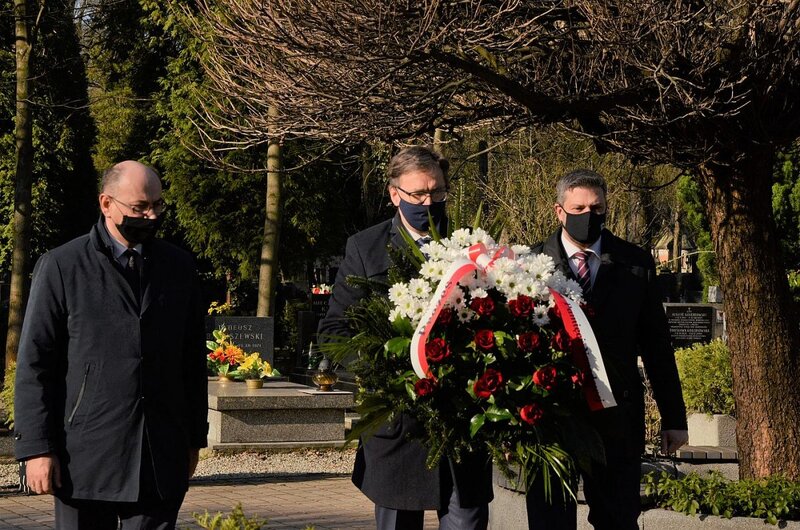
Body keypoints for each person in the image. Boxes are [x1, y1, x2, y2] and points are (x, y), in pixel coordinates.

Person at [14, 161, 208, 529]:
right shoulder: (62, 266)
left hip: (159, 458)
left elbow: (192, 362)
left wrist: (194, 440)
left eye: (158, 205)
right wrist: (37, 449)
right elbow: (36, 363)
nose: (150, 216)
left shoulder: (179, 267)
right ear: (106, 204)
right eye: (139, 208)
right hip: (85, 458)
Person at [317, 146, 493, 530]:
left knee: (467, 520)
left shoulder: (473, 246)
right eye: (418, 195)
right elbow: (333, 333)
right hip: (400, 426)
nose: (429, 202)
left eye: (438, 193)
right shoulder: (364, 248)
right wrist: (386, 372)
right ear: (395, 193)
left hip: (463, 423)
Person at [527, 169, 689, 530]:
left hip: (617, 418)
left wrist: (674, 418)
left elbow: (657, 345)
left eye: (597, 208)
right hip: (551, 420)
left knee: (617, 520)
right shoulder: (528, 266)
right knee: (549, 521)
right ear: (559, 211)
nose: (589, 216)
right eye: (579, 207)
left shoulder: (636, 264)